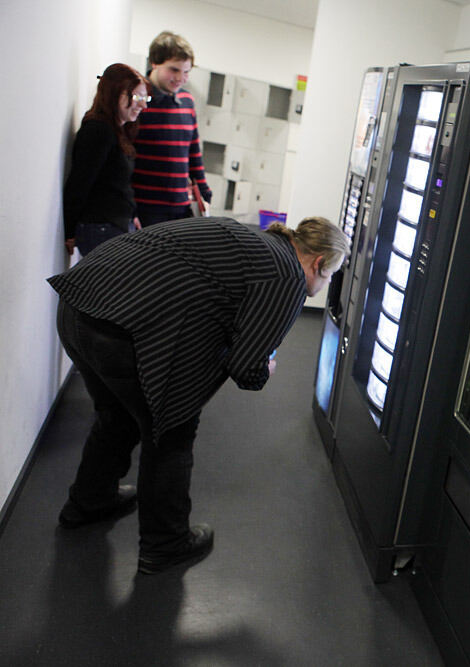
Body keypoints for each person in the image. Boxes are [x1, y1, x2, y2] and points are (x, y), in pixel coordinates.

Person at [48, 216, 350, 574]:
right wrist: (264, 367)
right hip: (119, 330)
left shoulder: (258, 241)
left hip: (79, 305)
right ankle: (165, 545)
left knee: (118, 416)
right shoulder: (287, 276)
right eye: (330, 275)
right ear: (319, 263)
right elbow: (247, 369)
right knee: (171, 430)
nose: (324, 283)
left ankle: (89, 503)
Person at [62, 64, 149, 256]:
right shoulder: (98, 131)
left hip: (115, 226)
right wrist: (68, 230)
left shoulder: (119, 131)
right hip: (100, 228)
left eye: (145, 98)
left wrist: (131, 215)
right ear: (114, 94)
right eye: (136, 97)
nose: (143, 105)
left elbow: (119, 185)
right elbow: (79, 183)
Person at [133, 31, 212, 226]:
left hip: (180, 209)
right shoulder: (138, 100)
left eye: (186, 72)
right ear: (154, 63)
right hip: (145, 208)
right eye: (174, 70)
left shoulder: (187, 101)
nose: (181, 78)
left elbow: (193, 152)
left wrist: (203, 191)